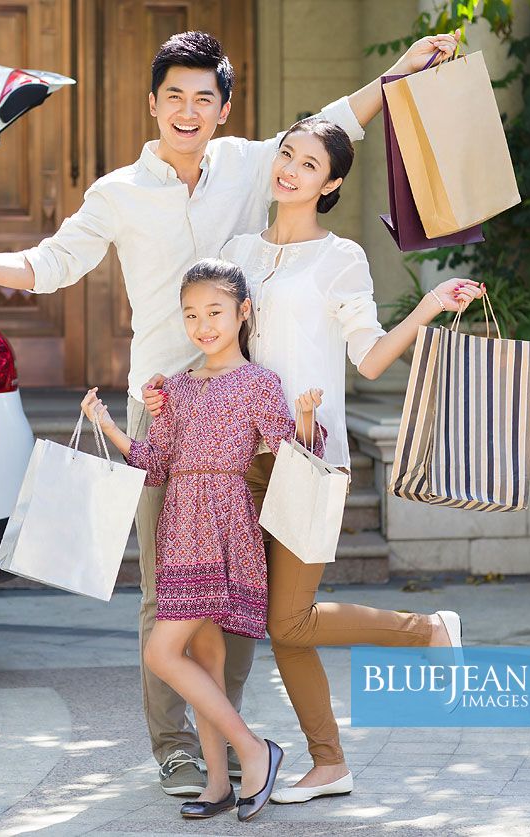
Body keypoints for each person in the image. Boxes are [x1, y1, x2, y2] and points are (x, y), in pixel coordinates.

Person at [0, 29, 463, 795]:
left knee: (239, 592)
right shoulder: (116, 193)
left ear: (224, 107)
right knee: (167, 592)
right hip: (162, 408)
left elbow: (332, 127)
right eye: (175, 96)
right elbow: (49, 264)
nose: (188, 110)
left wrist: (398, 74)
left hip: (247, 411)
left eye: (205, 97)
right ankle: (173, 745)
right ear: (153, 103)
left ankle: (226, 737)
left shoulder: (248, 166)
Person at [143, 116, 481, 804]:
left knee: (286, 619)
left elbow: (370, 353)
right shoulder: (238, 247)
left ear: (329, 183)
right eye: (287, 155)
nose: (290, 170)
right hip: (238, 463)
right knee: (251, 621)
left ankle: (426, 630)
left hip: (305, 456)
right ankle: (327, 762)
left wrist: (425, 309)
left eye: (308, 164)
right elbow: (214, 332)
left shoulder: (340, 257)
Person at [82, 259, 323, 821]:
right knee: (205, 659)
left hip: (227, 522)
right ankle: (218, 782)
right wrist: (108, 423)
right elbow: (153, 465)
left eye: (214, 312)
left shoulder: (260, 383)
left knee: (163, 651)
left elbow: (292, 453)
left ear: (242, 313)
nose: (202, 325)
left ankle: (254, 751)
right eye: (191, 315)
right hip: (181, 525)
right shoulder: (178, 388)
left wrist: (307, 418)